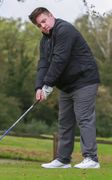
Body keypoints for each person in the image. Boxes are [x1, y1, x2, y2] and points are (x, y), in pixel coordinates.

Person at [28, 7, 100, 169]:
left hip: (84, 80)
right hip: (67, 85)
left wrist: (48, 85)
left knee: (84, 118)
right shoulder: (45, 40)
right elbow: (43, 64)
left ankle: (91, 159)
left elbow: (60, 60)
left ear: (51, 16)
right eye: (39, 25)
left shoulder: (64, 30)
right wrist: (39, 87)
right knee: (64, 122)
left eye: (44, 21)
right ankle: (63, 160)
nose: (43, 26)